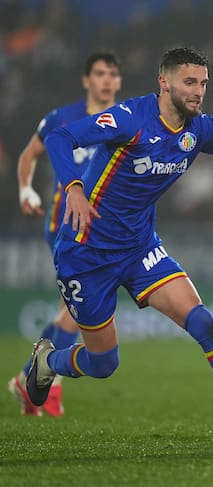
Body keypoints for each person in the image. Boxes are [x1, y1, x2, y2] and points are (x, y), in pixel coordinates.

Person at [26, 47, 213, 447]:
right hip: (86, 253)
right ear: (164, 82)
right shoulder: (130, 119)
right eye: (189, 82)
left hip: (139, 249)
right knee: (103, 362)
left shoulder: (199, 129)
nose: (198, 91)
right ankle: (48, 361)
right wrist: (75, 189)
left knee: (204, 323)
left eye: (203, 83)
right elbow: (60, 136)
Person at [9, 50, 123, 417]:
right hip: (66, 225)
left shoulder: (127, 120)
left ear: (119, 81)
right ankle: (44, 381)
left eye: (112, 74)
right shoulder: (63, 118)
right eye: (100, 73)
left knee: (70, 310)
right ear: (86, 80)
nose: (107, 80)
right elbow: (29, 155)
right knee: (76, 312)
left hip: (105, 229)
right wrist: (26, 190)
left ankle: (29, 378)